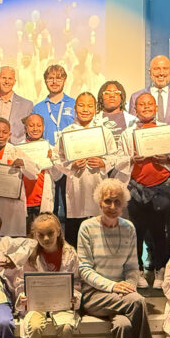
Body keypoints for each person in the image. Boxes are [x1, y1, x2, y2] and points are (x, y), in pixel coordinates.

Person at [78, 179, 157, 338]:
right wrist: (113, 286)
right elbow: (84, 269)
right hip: (94, 294)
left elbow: (132, 267)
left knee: (124, 325)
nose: (112, 206)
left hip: (121, 295)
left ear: (123, 205)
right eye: (108, 201)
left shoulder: (129, 228)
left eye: (117, 202)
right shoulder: (87, 228)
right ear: (99, 202)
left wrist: (129, 285)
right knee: (138, 301)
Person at [116, 93, 170, 289]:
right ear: (135, 110)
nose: (146, 107)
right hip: (135, 187)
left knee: (161, 231)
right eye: (141, 105)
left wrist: (166, 156)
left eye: (150, 104)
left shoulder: (167, 130)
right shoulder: (127, 134)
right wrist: (131, 159)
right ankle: (137, 270)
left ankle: (160, 270)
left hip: (163, 187)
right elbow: (117, 159)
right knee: (135, 231)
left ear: (156, 107)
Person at [129, 56, 170, 223]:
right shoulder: (137, 96)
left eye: (165, 69)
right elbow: (131, 131)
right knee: (145, 221)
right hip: (144, 171)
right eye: (157, 69)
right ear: (150, 72)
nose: (161, 73)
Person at [15, 213, 80, 338]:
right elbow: (20, 282)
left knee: (66, 328)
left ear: (58, 231)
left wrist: (74, 297)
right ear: (34, 235)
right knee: (35, 327)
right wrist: (23, 297)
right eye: (41, 235)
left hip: (62, 304)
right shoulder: (30, 255)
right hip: (37, 305)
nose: (46, 238)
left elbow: (77, 281)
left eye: (50, 233)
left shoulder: (70, 254)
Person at [56, 92, 118, 247]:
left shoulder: (104, 131)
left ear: (96, 108)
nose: (85, 109)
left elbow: (116, 156)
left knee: (98, 230)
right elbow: (57, 159)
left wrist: (103, 163)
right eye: (81, 105)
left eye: (90, 106)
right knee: (75, 232)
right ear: (75, 108)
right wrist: (71, 166)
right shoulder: (67, 132)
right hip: (75, 186)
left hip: (98, 184)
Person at [32, 64, 77, 218]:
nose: (54, 81)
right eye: (50, 78)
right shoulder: (38, 107)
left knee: (71, 204)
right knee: (50, 204)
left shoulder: (74, 104)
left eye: (58, 78)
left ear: (64, 80)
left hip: (69, 159)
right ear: (45, 81)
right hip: (48, 160)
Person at [21, 114, 63, 232]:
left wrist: (53, 160)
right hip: (25, 198)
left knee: (43, 233)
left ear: (43, 127)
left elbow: (57, 176)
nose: (35, 128)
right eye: (31, 125)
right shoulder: (19, 148)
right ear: (25, 128)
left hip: (42, 198)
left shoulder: (50, 148)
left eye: (39, 125)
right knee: (26, 235)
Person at [0, 66, 34, 145]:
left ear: (14, 81)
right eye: (4, 78)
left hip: (16, 151)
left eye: (10, 78)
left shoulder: (26, 105)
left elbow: (31, 133)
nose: (7, 82)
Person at [95, 80, 138, 147]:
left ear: (121, 97)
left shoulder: (133, 120)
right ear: (101, 97)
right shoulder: (93, 121)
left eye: (116, 93)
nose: (112, 95)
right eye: (107, 93)